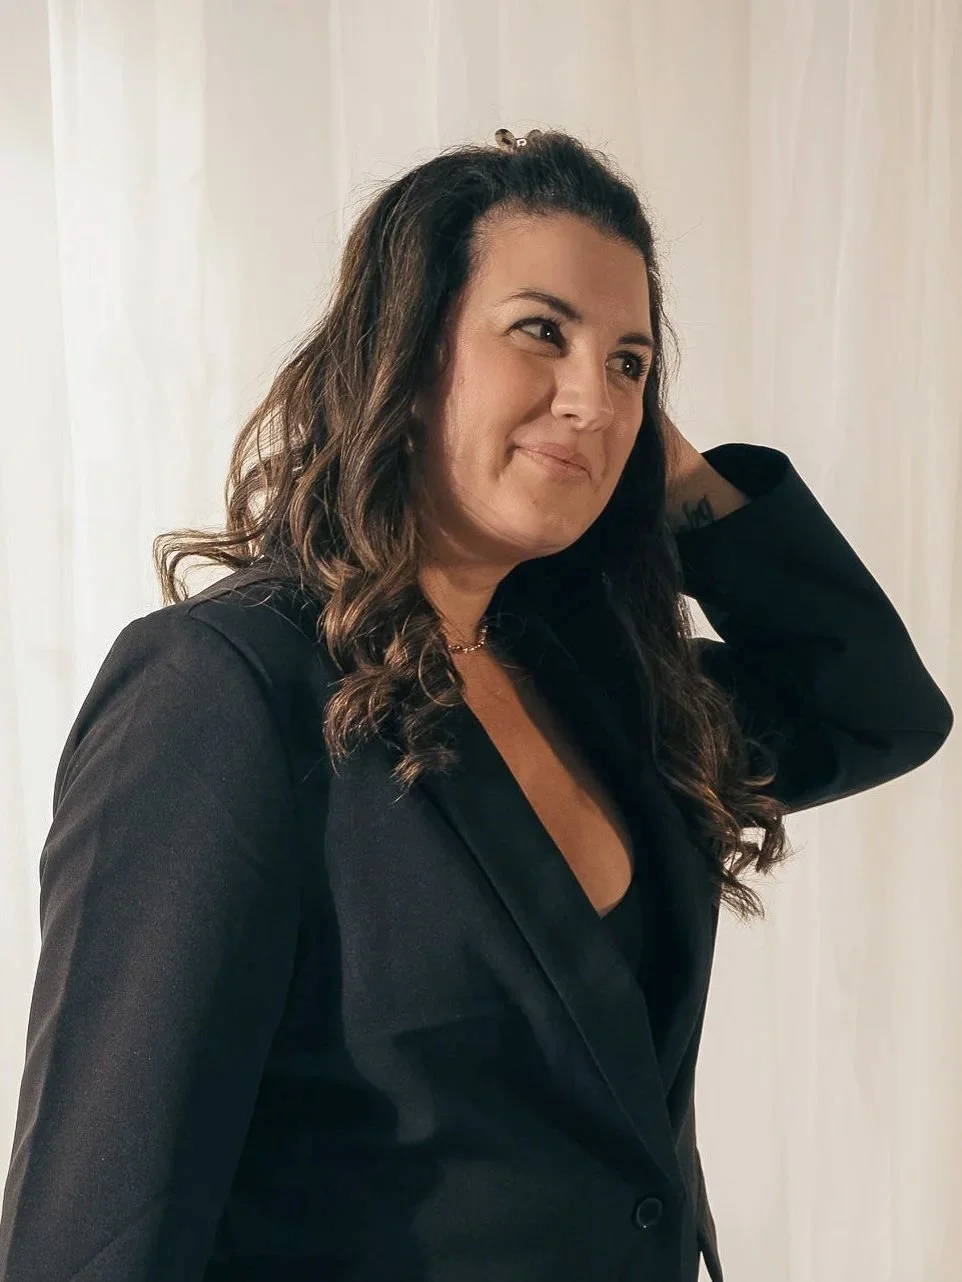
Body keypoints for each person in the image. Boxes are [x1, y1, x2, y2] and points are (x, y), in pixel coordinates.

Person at [0, 127, 953, 1282]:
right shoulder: (223, 690)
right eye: (538, 333)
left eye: (628, 364)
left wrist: (670, 474)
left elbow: (876, 707)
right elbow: (102, 1225)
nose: (591, 400)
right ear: (405, 353)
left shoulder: (600, 683)